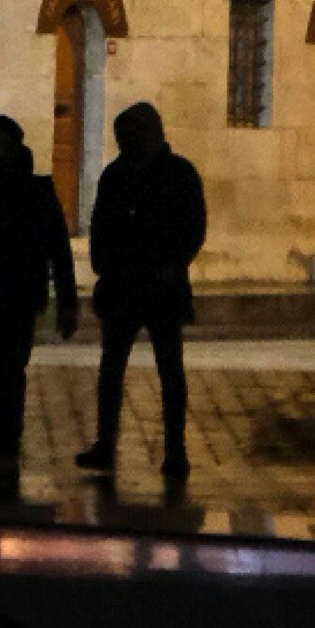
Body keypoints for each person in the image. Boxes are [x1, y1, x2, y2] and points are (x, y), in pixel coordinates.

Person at [79, 99, 207, 490]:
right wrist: (105, 265)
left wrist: (173, 262)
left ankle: (175, 450)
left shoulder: (178, 174)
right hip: (124, 284)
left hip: (160, 285)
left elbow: (192, 226)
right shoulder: (116, 175)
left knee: (170, 370)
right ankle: (105, 442)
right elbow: (101, 224)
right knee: (111, 368)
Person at [0, 115, 78, 497]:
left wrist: (67, 301)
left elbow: (59, 251)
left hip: (17, 299)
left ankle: (5, 446)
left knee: (10, 374)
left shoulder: (36, 192)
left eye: (1, 145)